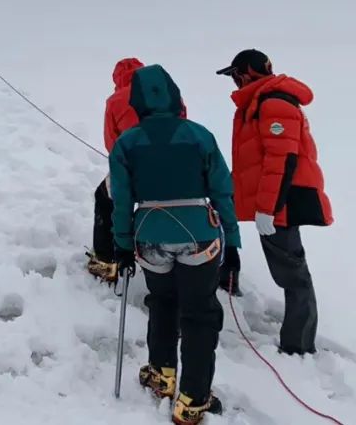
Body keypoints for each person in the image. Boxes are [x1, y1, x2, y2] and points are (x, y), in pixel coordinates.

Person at [109, 64, 239, 425]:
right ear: (175, 95)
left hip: (150, 236)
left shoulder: (126, 143)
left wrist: (121, 246)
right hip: (200, 235)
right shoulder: (199, 136)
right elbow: (222, 191)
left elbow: (121, 200)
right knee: (199, 313)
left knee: (163, 302)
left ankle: (162, 373)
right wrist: (233, 243)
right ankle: (194, 398)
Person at [216, 49, 333, 355]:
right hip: (275, 200)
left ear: (247, 74)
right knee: (288, 268)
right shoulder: (261, 101)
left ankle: (298, 346)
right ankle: (227, 278)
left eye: (235, 76)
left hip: (283, 202)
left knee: (293, 274)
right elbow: (255, 160)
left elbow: (281, 161)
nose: (234, 83)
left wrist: (268, 209)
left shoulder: (274, 104)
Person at [87, 57, 145, 283]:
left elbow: (112, 144)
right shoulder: (169, 95)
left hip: (132, 167)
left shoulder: (116, 100)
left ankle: (105, 262)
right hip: (172, 167)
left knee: (105, 199)